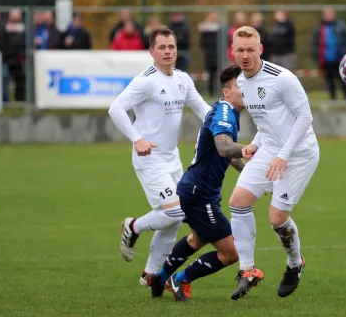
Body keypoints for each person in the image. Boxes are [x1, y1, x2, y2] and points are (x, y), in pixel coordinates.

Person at [107, 28, 211, 286]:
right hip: (149, 158)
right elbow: (116, 108)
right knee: (175, 212)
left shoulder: (183, 79)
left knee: (173, 221)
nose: (167, 51)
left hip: (171, 158)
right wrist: (136, 139)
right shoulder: (146, 81)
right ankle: (133, 227)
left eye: (171, 47)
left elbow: (203, 110)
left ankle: (150, 275)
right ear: (152, 52)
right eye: (162, 47)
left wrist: (225, 122)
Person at [228, 26, 320, 300]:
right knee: (238, 201)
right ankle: (247, 270)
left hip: (300, 153)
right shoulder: (242, 82)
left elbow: (305, 118)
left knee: (277, 219)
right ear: (233, 52)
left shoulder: (283, 79)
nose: (245, 56)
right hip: (269, 149)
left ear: (260, 50)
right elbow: (267, 119)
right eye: (240, 50)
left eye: (250, 50)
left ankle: (295, 264)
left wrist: (284, 155)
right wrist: (255, 144)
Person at [146, 65, 247, 302]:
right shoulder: (224, 113)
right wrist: (254, 149)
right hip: (199, 193)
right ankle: (180, 280)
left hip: (195, 189)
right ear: (226, 92)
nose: (246, 91)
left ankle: (159, 278)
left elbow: (225, 152)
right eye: (240, 87)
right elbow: (224, 147)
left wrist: (248, 171)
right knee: (231, 253)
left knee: (197, 239)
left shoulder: (229, 113)